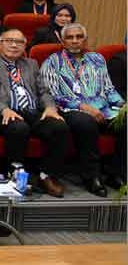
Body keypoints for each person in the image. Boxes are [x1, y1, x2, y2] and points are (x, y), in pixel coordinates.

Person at [0, 28, 70, 197]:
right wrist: (3, 109)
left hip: (32, 111)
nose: (14, 45)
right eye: (9, 41)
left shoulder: (31, 64)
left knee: (59, 127)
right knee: (19, 128)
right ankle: (15, 172)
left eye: (19, 42)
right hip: (5, 111)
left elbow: (43, 91)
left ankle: (46, 175)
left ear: (25, 46)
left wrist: (49, 107)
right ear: (0, 44)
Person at [41, 23, 125, 195]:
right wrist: (84, 107)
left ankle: (115, 173)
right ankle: (91, 176)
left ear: (85, 40)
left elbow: (108, 88)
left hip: (104, 109)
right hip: (72, 110)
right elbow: (54, 95)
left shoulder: (97, 59)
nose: (75, 41)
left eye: (79, 37)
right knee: (86, 123)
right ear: (62, 41)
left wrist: (122, 104)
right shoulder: (52, 62)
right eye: (70, 38)